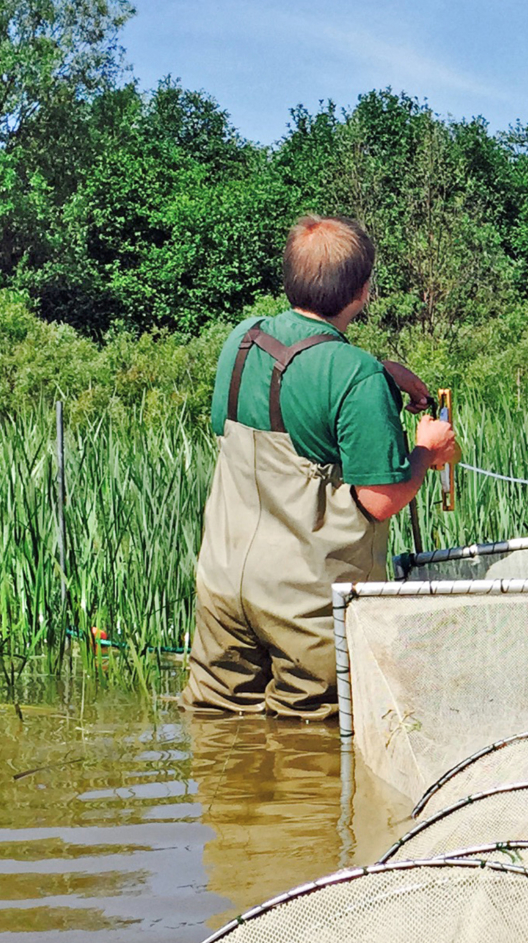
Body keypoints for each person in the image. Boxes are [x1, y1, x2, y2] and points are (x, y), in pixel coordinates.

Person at [183, 215, 458, 720]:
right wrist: (427, 449)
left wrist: (381, 370)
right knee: (311, 740)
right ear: (363, 290)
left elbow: (295, 376)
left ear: (290, 277)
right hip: (306, 601)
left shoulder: (242, 339)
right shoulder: (356, 376)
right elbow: (380, 500)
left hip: (223, 582)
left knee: (218, 725)